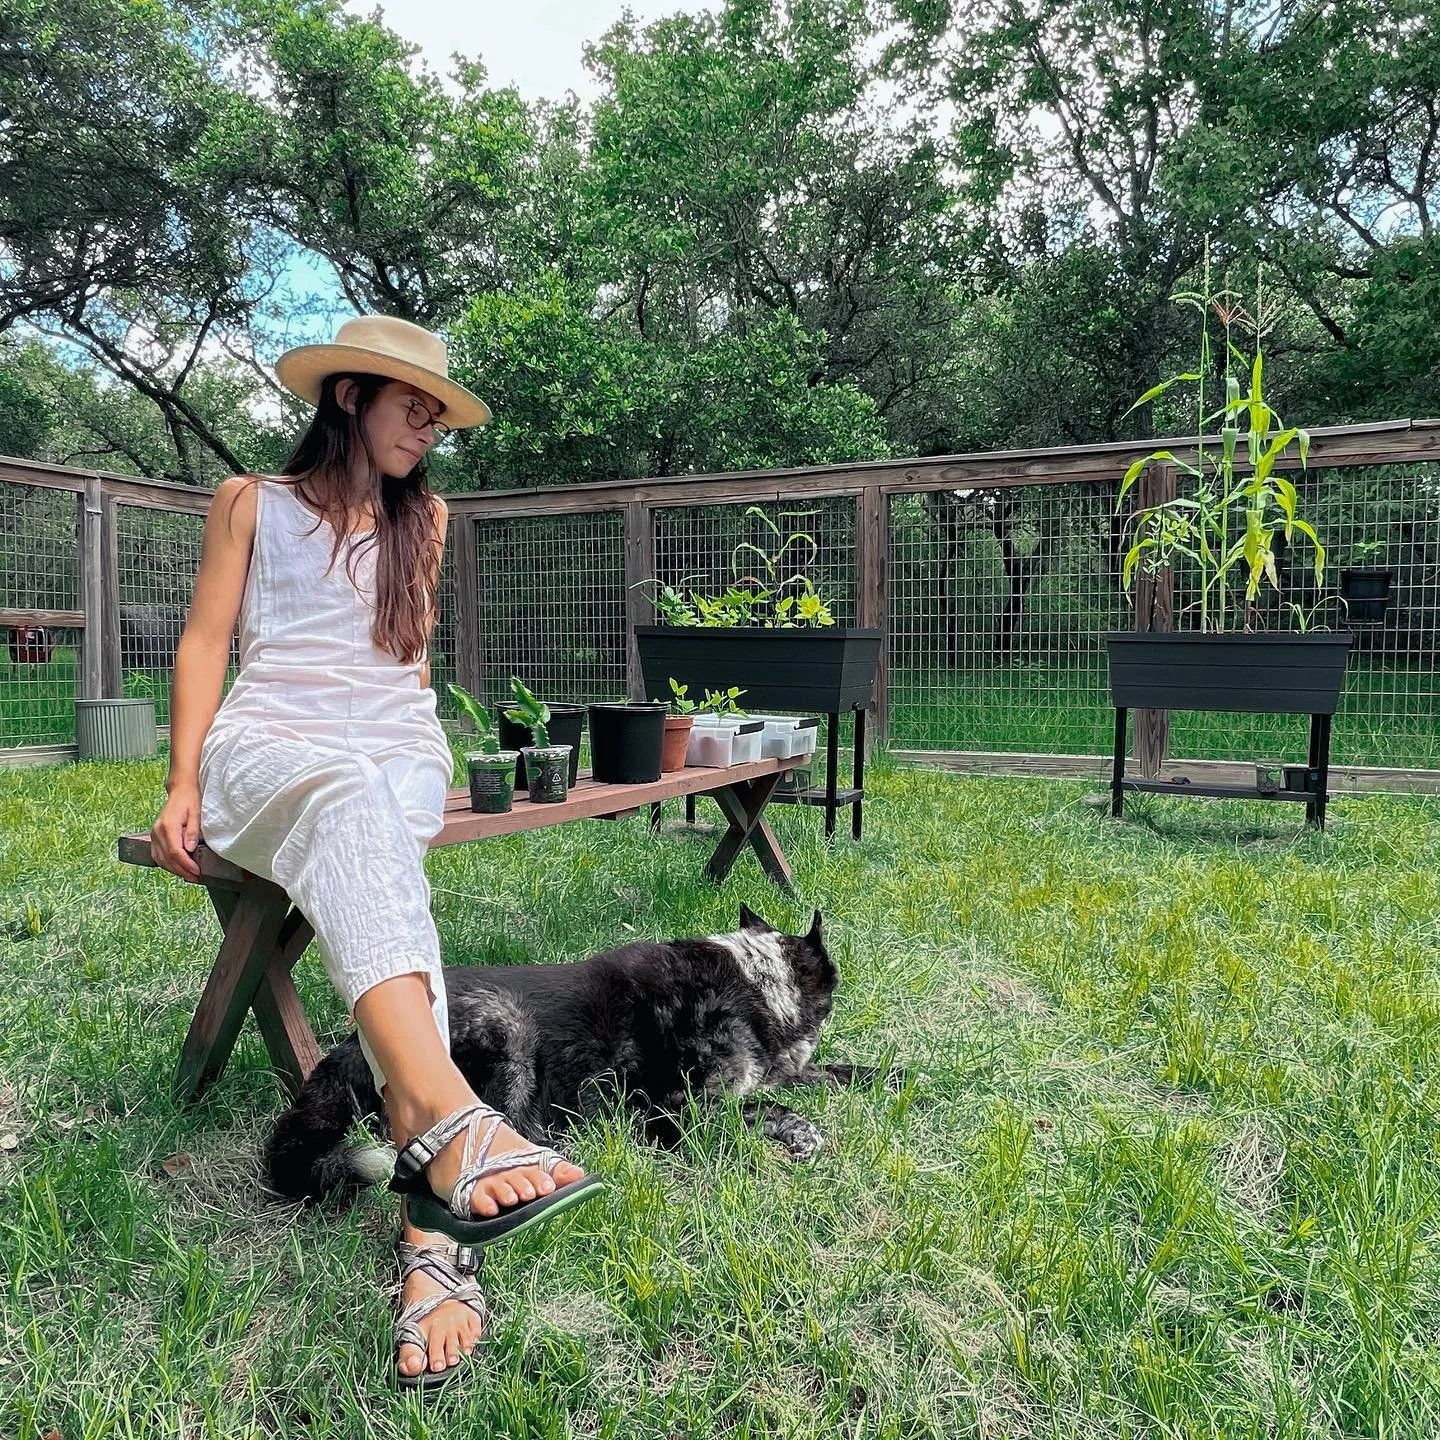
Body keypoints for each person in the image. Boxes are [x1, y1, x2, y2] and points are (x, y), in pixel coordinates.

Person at [149, 316, 603, 1392]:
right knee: (356, 822)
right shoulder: (249, 502)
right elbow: (207, 640)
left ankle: (431, 1134)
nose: (428, 429)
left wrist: (401, 739)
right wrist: (180, 779)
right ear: (350, 394)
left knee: (374, 832)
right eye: (415, 405)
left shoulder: (424, 517)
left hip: (393, 745)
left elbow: (403, 661)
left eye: (439, 415)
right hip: (268, 743)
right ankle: (443, 1177)